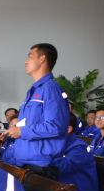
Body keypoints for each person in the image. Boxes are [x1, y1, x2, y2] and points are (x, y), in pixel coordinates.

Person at [6, 43, 69, 180]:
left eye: (30, 56)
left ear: (42, 59)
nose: (26, 61)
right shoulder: (35, 90)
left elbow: (55, 126)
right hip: (26, 164)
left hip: (41, 167)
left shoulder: (50, 89)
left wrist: (21, 131)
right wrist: (15, 129)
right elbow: (30, 123)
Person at [51, 113, 98, 191]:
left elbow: (65, 166)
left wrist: (40, 157)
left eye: (53, 125)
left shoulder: (79, 147)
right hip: (61, 189)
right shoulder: (55, 143)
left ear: (68, 129)